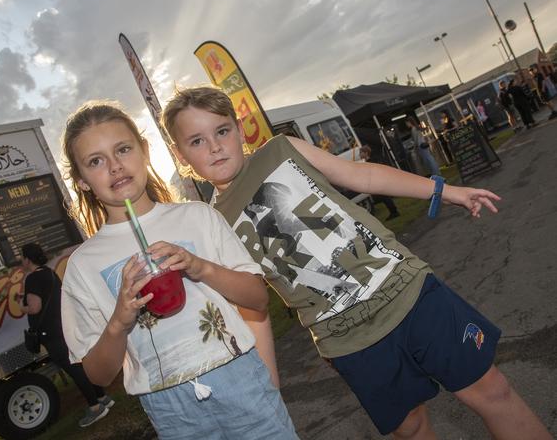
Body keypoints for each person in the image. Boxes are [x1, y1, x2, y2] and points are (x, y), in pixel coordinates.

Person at [161, 86, 551, 440]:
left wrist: (444, 190)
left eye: (222, 130)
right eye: (197, 140)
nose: (214, 147)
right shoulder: (210, 223)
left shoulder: (283, 150)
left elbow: (362, 175)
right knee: (411, 427)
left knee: (492, 391)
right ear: (181, 156)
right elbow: (252, 305)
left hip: (404, 289)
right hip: (345, 336)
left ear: (239, 128)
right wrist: (269, 386)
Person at [58, 100, 297, 439]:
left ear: (144, 151)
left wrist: (199, 267)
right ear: (81, 181)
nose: (114, 167)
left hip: (240, 376)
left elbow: (257, 299)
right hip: (169, 407)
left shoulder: (197, 216)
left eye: (123, 149)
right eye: (96, 161)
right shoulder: (82, 266)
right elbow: (98, 375)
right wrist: (119, 322)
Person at [17, 242, 114, 428]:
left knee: (75, 370)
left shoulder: (32, 279)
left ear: (28, 259)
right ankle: (103, 398)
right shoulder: (49, 273)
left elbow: (35, 307)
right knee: (80, 365)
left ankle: (95, 408)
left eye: (22, 257)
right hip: (64, 327)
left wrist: (21, 307)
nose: (22, 261)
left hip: (51, 334)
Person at [359, 145, 400, 221]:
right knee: (384, 197)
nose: (359, 155)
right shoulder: (370, 161)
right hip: (378, 181)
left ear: (366, 153)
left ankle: (394, 212)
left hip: (378, 181)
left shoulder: (371, 162)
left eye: (361, 152)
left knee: (385, 197)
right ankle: (393, 211)